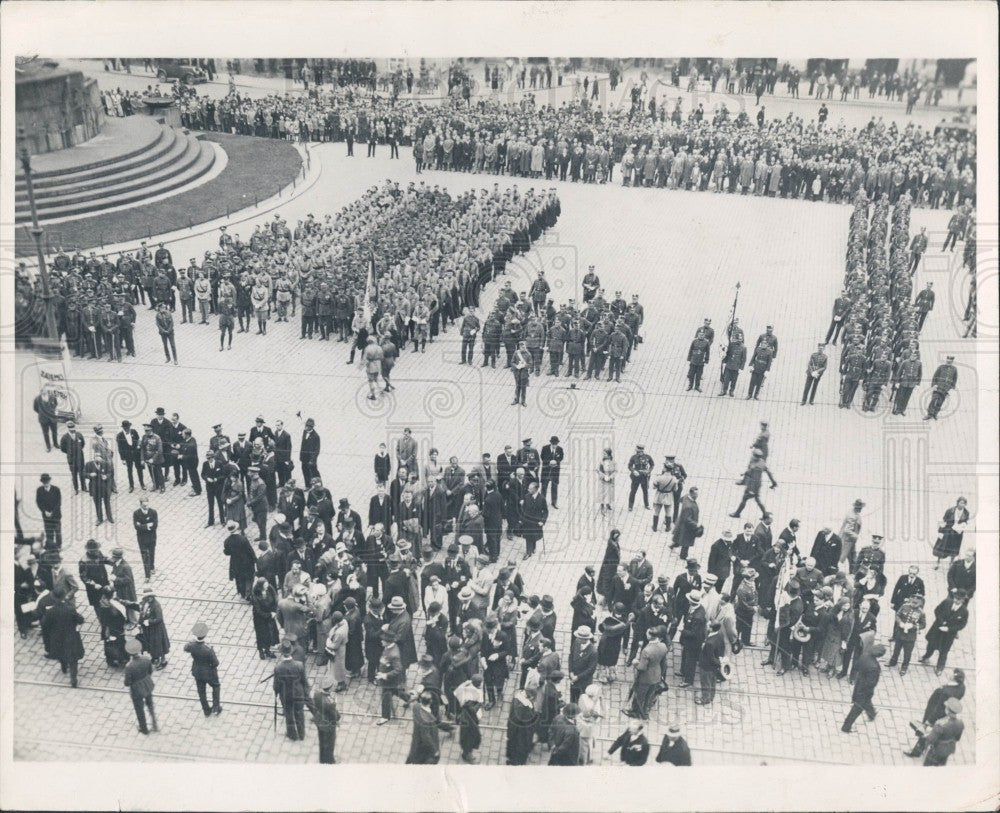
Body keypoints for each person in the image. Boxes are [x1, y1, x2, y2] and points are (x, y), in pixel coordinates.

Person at [904, 669, 966, 758]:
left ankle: (917, 751)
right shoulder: (962, 687)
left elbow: (938, 708)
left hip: (934, 713)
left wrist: (928, 721)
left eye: (952, 674)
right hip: (946, 714)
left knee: (924, 732)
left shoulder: (945, 691)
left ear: (954, 678)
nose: (949, 674)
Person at [41, 587, 85, 688]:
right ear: (64, 596)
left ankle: (64, 667)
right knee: (73, 659)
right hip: (71, 637)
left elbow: (45, 626)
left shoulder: (50, 612)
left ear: (53, 597)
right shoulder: (70, 608)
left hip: (57, 639)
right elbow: (80, 619)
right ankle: (73, 679)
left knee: (61, 654)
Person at [920, 589, 969, 674]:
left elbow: (962, 625)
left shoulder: (964, 611)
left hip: (948, 635)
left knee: (944, 651)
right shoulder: (946, 602)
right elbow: (937, 611)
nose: (956, 600)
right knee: (931, 644)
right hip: (937, 629)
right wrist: (941, 622)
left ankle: (940, 668)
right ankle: (926, 657)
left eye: (959, 599)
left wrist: (949, 629)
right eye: (955, 598)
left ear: (963, 600)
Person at [841, 642, 886, 733]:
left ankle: (871, 714)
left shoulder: (865, 655)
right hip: (865, 690)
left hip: (859, 683)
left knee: (866, 701)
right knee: (857, 708)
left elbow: (856, 666)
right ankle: (846, 727)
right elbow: (871, 683)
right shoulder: (874, 666)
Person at [626, 625, 668, 719]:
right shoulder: (663, 646)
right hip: (656, 675)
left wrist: (635, 663)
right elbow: (664, 663)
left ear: (649, 636)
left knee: (640, 696)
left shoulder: (647, 650)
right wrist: (661, 674)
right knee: (650, 695)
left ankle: (636, 712)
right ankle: (645, 711)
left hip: (645, 678)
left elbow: (642, 667)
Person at [273, 639, 311, 740]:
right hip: (298, 693)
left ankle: (292, 734)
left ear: (282, 653)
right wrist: (306, 692)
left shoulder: (278, 668)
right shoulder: (299, 665)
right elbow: (304, 681)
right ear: (291, 651)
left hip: (286, 695)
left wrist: (277, 692)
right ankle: (301, 734)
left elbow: (276, 685)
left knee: (289, 714)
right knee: (299, 713)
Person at [183, 621, 222, 717]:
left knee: (201, 691)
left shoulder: (191, 645)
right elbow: (216, 663)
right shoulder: (208, 649)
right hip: (209, 673)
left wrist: (192, 641)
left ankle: (206, 710)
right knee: (216, 686)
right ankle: (216, 707)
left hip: (197, 672)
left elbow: (185, 648)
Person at [124, 637, 158, 734]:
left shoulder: (129, 666)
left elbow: (127, 683)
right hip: (147, 684)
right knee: (150, 704)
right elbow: (150, 671)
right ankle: (154, 723)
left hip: (136, 690)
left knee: (139, 709)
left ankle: (144, 729)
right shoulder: (146, 659)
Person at [406, 689, 448, 764]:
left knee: (413, 756)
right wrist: (435, 750)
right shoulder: (427, 719)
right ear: (430, 701)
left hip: (416, 739)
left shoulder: (416, 707)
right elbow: (426, 736)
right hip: (425, 747)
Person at [921, 698, 965, 766]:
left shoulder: (940, 724)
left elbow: (930, 740)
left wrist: (926, 736)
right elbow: (957, 738)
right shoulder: (960, 723)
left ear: (947, 711)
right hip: (948, 749)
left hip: (937, 750)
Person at [136, 585, 170, 669]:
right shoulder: (144, 602)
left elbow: (159, 618)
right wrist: (139, 623)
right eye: (147, 597)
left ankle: (163, 661)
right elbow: (142, 613)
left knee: (159, 645)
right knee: (151, 644)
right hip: (148, 628)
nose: (149, 598)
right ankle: (155, 657)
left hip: (157, 629)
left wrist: (149, 621)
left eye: (150, 597)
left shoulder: (156, 605)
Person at [932, 497, 970, 568]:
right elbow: (944, 520)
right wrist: (941, 531)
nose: (962, 505)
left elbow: (966, 521)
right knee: (942, 548)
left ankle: (951, 564)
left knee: (954, 549)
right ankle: (937, 562)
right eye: (961, 503)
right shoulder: (950, 511)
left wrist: (964, 525)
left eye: (964, 503)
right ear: (957, 503)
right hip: (947, 531)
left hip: (957, 534)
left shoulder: (966, 513)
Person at [312, 674, 341, 764]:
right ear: (330, 688)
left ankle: (322, 759)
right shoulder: (330, 702)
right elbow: (334, 716)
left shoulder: (316, 693)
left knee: (322, 741)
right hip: (328, 725)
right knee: (330, 743)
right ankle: (330, 760)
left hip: (319, 720)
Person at [505, 685, 538, 765]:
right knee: (520, 751)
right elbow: (528, 724)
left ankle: (511, 760)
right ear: (530, 697)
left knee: (513, 747)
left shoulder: (516, 699)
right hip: (521, 734)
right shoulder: (525, 708)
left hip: (514, 731)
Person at [924, 355, 957, 421]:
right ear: (946, 360)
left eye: (950, 361)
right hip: (938, 387)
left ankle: (935, 414)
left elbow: (954, 379)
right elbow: (935, 376)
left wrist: (951, 388)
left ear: (952, 361)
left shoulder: (954, 369)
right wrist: (934, 385)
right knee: (933, 400)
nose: (948, 362)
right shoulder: (941, 367)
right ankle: (929, 414)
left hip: (946, 389)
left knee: (940, 402)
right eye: (947, 361)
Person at [133, 498, 158, 581]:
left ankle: (152, 567)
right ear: (140, 505)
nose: (146, 507)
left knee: (151, 553)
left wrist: (142, 525)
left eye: (147, 505)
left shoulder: (153, 512)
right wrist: (147, 526)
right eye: (144, 506)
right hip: (142, 539)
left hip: (152, 537)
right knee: (145, 556)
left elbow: (155, 525)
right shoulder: (136, 513)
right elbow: (136, 527)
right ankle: (147, 575)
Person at [35, 474, 62, 549]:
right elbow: (38, 502)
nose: (46, 483)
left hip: (56, 515)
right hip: (46, 516)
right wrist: (44, 511)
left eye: (47, 481)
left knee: (57, 532)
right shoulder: (39, 490)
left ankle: (58, 546)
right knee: (48, 532)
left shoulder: (56, 489)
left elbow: (58, 503)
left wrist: (52, 512)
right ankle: (50, 545)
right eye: (44, 482)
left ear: (49, 481)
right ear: (42, 482)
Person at [597, 448, 615, 516]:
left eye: (605, 454)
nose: (604, 455)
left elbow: (615, 471)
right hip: (603, 480)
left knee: (609, 493)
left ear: (608, 454)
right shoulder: (601, 462)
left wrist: (610, 477)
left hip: (610, 480)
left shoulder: (613, 462)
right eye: (603, 454)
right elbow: (598, 470)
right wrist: (603, 475)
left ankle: (608, 504)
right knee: (603, 493)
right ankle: (602, 506)